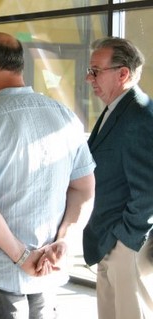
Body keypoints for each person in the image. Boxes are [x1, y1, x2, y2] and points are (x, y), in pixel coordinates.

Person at [0, 32, 96, 318]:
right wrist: (63, 241)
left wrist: (22, 257)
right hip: (49, 267)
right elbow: (84, 188)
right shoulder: (64, 115)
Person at [82, 37, 153, 319]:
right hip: (109, 241)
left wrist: (126, 242)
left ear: (123, 73)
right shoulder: (118, 110)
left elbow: (148, 191)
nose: (89, 78)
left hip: (128, 245)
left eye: (96, 71)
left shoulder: (139, 115)